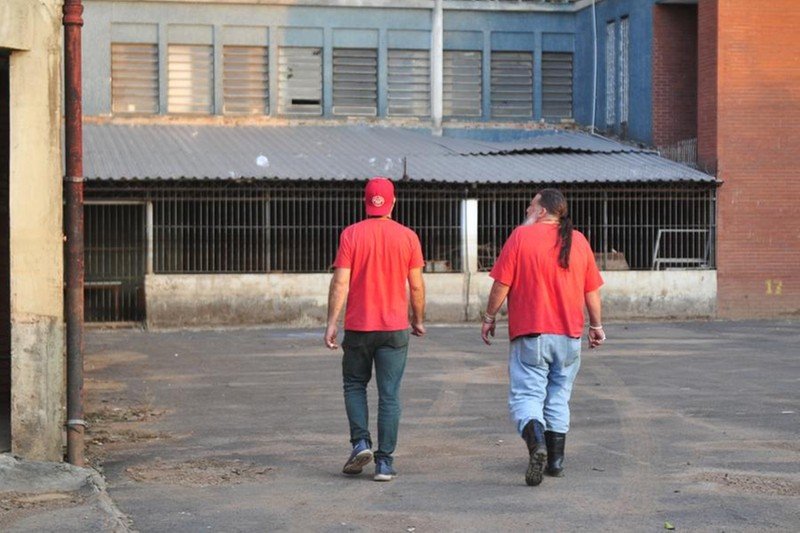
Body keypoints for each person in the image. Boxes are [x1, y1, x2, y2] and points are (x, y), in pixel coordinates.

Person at [481, 188, 605, 487]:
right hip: (569, 335)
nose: (526, 210)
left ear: (541, 211)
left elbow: (502, 284)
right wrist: (596, 326)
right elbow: (591, 290)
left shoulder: (521, 238)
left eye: (530, 206)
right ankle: (556, 461)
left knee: (527, 395)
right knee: (559, 396)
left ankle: (536, 445)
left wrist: (489, 317)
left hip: (531, 335)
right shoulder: (579, 241)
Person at [325, 177, 426, 482]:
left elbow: (340, 281)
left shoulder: (351, 235)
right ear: (393, 202)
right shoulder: (408, 237)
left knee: (354, 385)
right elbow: (417, 286)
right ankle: (384, 463)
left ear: (365, 202)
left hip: (358, 327)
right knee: (389, 394)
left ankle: (360, 443)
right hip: (395, 328)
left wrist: (332, 322)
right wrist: (418, 318)